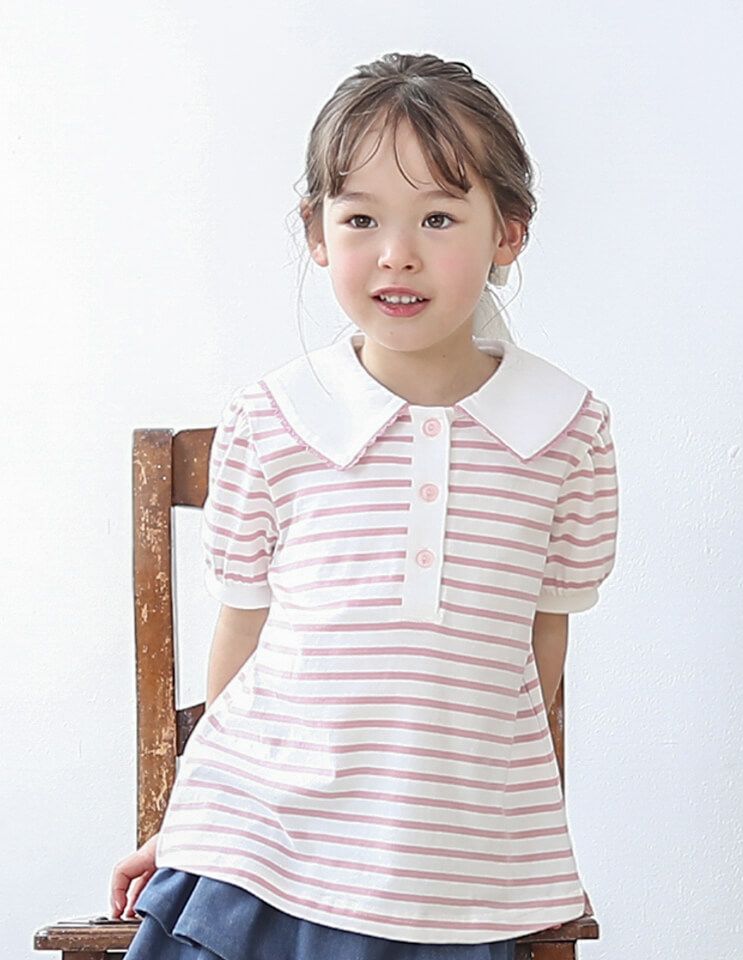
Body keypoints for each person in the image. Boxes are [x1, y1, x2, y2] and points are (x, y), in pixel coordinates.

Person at [110, 51, 617, 960]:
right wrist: (193, 826)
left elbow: (541, 648)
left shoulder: (566, 430)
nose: (397, 253)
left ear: (509, 232)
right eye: (360, 219)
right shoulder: (273, 417)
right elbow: (241, 634)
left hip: (449, 879)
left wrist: (461, 821)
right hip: (260, 856)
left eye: (438, 217)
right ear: (316, 233)